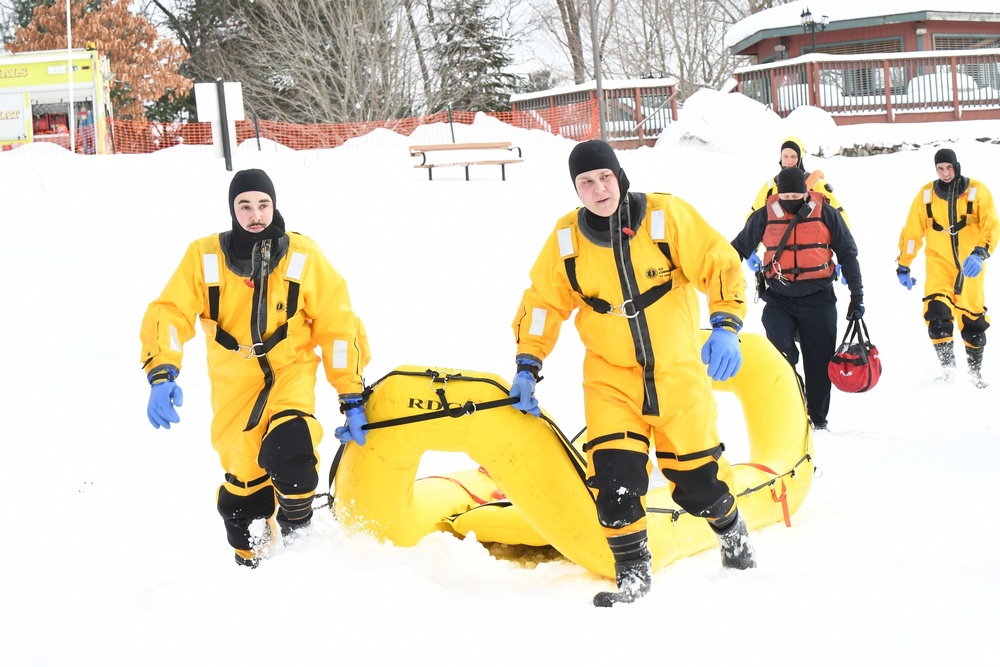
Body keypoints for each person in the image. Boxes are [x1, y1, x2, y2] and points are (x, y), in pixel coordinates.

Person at [509, 139, 755, 608]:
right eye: (586, 182)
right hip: (611, 379)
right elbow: (541, 304)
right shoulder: (567, 242)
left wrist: (725, 323)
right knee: (616, 479)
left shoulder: (665, 217)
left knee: (699, 483)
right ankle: (633, 575)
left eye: (605, 177)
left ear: (620, 176)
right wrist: (527, 362)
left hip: (677, 372)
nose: (598, 188)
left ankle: (733, 535)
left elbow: (720, 262)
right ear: (576, 190)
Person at [140, 168, 370, 568]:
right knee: (243, 501)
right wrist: (162, 371)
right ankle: (253, 567)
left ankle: (302, 543)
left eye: (263, 204)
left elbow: (338, 323)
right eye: (244, 206)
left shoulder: (302, 255)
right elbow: (169, 312)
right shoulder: (204, 256)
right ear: (233, 210)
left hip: (289, 373)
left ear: (274, 206)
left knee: (293, 449)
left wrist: (350, 392)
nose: (255, 214)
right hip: (234, 389)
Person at [731, 167, 865, 431]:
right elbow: (736, 250)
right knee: (780, 354)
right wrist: (721, 276)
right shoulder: (763, 217)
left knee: (819, 362)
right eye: (786, 195)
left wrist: (856, 296)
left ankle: (818, 419)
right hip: (779, 298)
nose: (791, 200)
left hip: (819, 299)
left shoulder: (826, 214)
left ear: (806, 193)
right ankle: (792, 400)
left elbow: (848, 254)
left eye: (796, 195)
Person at [896, 148, 998, 387]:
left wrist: (981, 253)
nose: (944, 173)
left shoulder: (977, 191)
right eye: (940, 168)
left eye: (948, 168)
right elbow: (912, 232)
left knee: (973, 319)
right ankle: (948, 370)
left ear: (956, 166)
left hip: (969, 265)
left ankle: (975, 373)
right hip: (939, 263)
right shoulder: (926, 196)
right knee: (936, 312)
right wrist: (904, 264)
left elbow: (991, 226)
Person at [748, 136, 849, 225]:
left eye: (793, 156)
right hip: (777, 245)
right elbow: (753, 219)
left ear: (800, 158)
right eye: (785, 156)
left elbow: (840, 218)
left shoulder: (818, 185)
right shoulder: (770, 187)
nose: (789, 161)